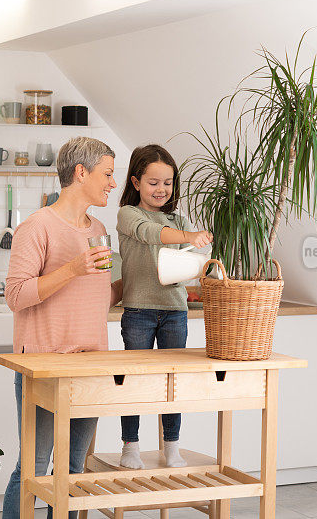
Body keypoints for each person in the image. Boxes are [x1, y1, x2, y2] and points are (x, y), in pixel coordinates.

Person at [1, 137, 123, 519]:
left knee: (72, 471)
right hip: (44, 367)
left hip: (89, 366)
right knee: (34, 469)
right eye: (107, 174)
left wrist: (144, 275)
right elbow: (16, 295)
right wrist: (72, 268)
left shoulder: (98, 227)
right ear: (80, 172)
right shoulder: (37, 227)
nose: (112, 183)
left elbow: (96, 298)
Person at [115, 144, 213, 469]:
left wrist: (196, 247)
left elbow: (186, 262)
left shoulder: (178, 219)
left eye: (168, 182)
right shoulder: (129, 215)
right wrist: (189, 235)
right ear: (136, 182)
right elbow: (153, 234)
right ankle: (131, 446)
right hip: (139, 311)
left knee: (173, 381)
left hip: (175, 310)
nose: (161, 189)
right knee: (135, 381)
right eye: (154, 182)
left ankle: (171, 446)